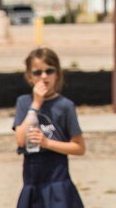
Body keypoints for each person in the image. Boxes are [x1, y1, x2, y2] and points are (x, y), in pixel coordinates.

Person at [11, 47, 86, 208]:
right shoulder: (24, 102)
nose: (44, 77)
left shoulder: (65, 106)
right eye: (37, 72)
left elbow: (79, 147)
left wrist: (47, 143)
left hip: (58, 182)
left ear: (57, 74)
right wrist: (36, 104)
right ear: (29, 77)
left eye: (49, 71)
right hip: (32, 181)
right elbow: (20, 140)